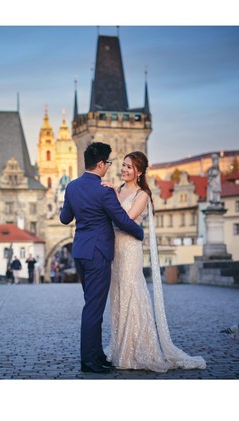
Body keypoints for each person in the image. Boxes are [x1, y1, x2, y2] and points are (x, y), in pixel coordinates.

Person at [101, 151, 206, 372]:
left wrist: (111, 196)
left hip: (129, 248)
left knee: (131, 292)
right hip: (115, 249)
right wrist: (112, 193)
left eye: (129, 167)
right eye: (123, 165)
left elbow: (126, 219)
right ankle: (121, 346)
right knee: (118, 294)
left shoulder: (142, 195)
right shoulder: (119, 189)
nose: (124, 170)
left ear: (138, 172)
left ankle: (136, 349)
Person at [60, 142, 146, 374]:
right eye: (108, 162)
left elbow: (64, 218)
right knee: (93, 309)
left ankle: (96, 354)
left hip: (80, 252)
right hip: (98, 254)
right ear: (99, 164)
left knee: (92, 304)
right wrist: (141, 233)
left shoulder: (72, 187)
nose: (109, 167)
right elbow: (122, 220)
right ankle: (89, 361)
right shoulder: (104, 190)